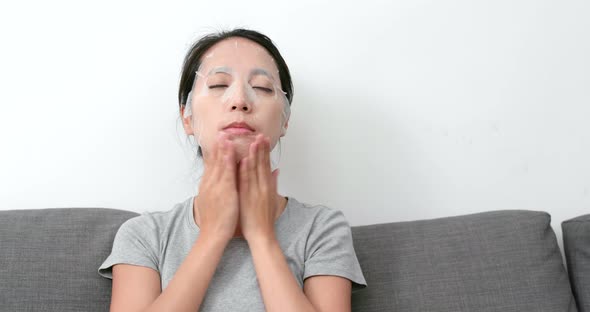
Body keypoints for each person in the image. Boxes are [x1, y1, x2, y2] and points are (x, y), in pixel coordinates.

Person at [98, 28, 367, 312]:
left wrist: (262, 237)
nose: (240, 100)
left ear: (285, 120)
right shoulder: (145, 235)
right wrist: (213, 235)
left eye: (263, 87)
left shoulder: (321, 228)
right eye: (217, 85)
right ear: (187, 117)